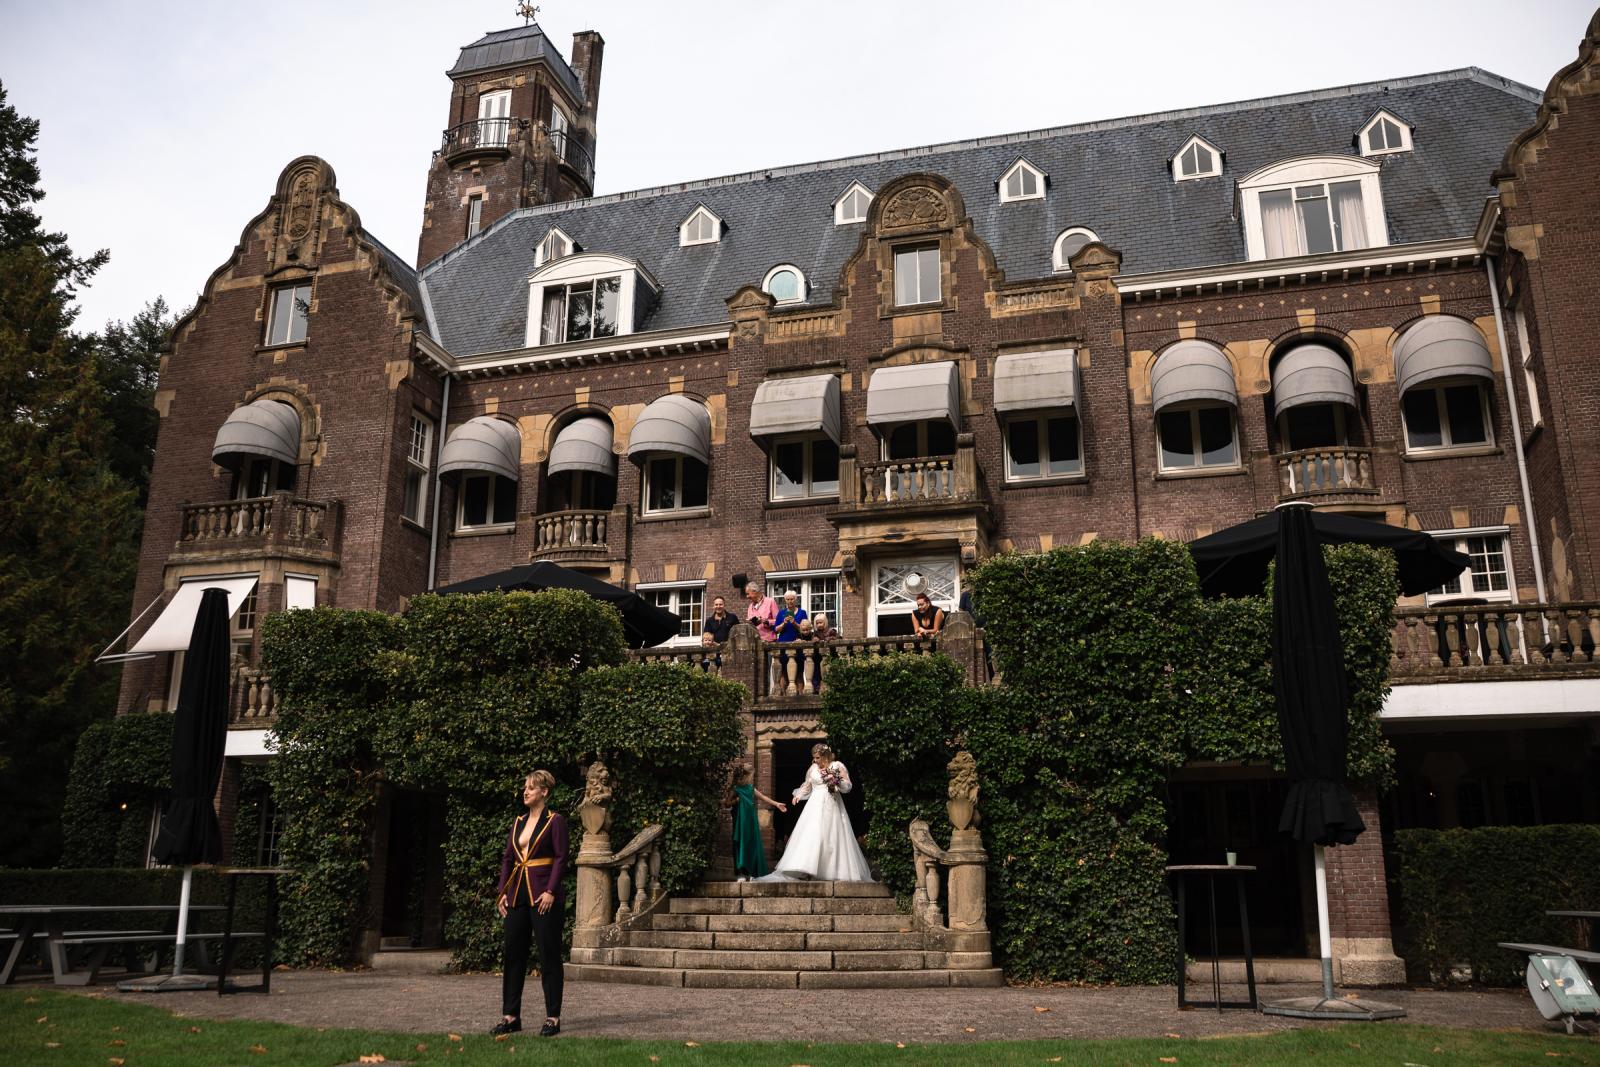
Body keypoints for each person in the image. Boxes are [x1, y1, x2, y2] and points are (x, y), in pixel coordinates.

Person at [493, 770, 568, 1038]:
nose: (525, 792)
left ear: (544, 792)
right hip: (517, 895)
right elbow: (507, 859)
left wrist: (550, 891)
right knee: (513, 954)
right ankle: (511, 1016)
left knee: (549, 955)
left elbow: (560, 858)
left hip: (544, 896)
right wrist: (503, 892)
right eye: (525, 787)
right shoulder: (518, 822)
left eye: (531, 788)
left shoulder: (555, 821)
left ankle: (553, 1017)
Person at [759, 744, 873, 881]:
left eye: (818, 758)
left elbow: (848, 786)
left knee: (830, 834)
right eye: (814, 758)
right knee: (811, 833)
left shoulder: (837, 766)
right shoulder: (813, 768)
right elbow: (808, 785)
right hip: (814, 805)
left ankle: (830, 870)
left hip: (831, 803)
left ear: (825, 756)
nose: (815, 761)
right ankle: (807, 869)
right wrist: (798, 795)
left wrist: (835, 782)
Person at [726, 764, 786, 880]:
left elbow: (763, 797)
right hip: (740, 823)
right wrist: (736, 800)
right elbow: (727, 803)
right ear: (744, 776)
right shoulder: (735, 789)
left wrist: (776, 804)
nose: (752, 778)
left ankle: (752, 872)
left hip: (751, 822)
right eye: (751, 776)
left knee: (752, 846)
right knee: (740, 845)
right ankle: (740, 873)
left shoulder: (750, 788)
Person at [773, 590, 808, 694]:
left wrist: (795, 623)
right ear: (785, 600)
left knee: (799, 672)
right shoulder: (781, 613)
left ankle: (800, 695)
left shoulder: (802, 613)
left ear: (796, 599)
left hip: (798, 645)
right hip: (783, 644)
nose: (790, 601)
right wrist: (783, 623)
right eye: (788, 599)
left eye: (792, 599)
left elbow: (805, 629)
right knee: (783, 672)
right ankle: (783, 696)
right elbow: (776, 630)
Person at [701, 595, 736, 671]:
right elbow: (705, 638)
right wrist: (712, 644)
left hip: (729, 652)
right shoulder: (709, 621)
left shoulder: (732, 618)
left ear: (724, 605)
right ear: (713, 606)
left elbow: (738, 634)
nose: (718, 606)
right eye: (716, 604)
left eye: (720, 604)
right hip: (714, 654)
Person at [809, 613, 837, 693]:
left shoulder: (831, 631)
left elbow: (836, 638)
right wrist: (814, 640)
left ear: (825, 622)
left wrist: (830, 638)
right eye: (817, 623)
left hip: (830, 655)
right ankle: (816, 688)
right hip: (817, 656)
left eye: (821, 622)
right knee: (816, 672)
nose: (819, 625)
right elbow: (813, 639)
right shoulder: (815, 633)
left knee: (828, 672)